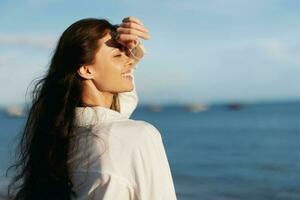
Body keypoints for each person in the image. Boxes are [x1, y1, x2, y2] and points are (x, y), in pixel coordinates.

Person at [7, 16, 177, 200]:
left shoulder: (60, 136)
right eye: (118, 55)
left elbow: (115, 111)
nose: (129, 60)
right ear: (86, 70)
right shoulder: (138, 137)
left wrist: (130, 51)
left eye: (126, 53)